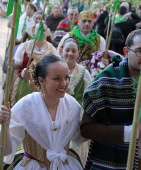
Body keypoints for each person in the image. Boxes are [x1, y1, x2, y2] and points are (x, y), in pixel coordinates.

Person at [0, 54, 84, 170]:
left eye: (66, 77)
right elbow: (5, 151)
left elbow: (80, 136)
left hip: (66, 165)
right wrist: (5, 125)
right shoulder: (26, 105)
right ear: (41, 80)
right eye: (57, 78)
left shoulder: (72, 105)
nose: (64, 83)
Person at [80, 29, 141, 170]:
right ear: (126, 52)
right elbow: (86, 129)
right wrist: (132, 132)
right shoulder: (106, 82)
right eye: (140, 51)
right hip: (114, 162)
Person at [60, 37, 92, 166]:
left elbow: (88, 98)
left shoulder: (84, 73)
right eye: (67, 50)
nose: (70, 54)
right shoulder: (52, 68)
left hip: (73, 119)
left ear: (78, 53)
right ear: (61, 50)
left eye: (74, 51)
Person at [11, 22, 57, 106]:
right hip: (24, 82)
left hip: (43, 86)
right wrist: (23, 71)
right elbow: (15, 65)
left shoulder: (52, 49)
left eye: (43, 30)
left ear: (46, 33)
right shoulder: (25, 46)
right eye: (38, 29)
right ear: (33, 32)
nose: (40, 32)